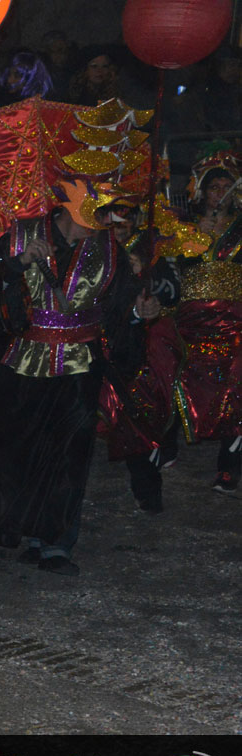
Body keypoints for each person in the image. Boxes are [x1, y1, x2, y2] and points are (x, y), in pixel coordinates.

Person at [0, 179, 158, 576]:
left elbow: (122, 303)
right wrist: (18, 263)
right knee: (20, 449)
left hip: (80, 365)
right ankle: (25, 529)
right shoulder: (22, 235)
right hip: (26, 361)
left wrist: (138, 313)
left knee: (70, 454)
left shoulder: (109, 248)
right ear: (68, 206)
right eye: (96, 210)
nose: (104, 219)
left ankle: (56, 542)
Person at [105, 150, 242, 507]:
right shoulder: (177, 226)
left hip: (236, 320)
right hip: (187, 319)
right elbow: (163, 275)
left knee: (237, 379)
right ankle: (164, 442)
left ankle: (229, 463)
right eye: (215, 186)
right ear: (201, 190)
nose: (220, 193)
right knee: (167, 372)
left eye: (227, 186)